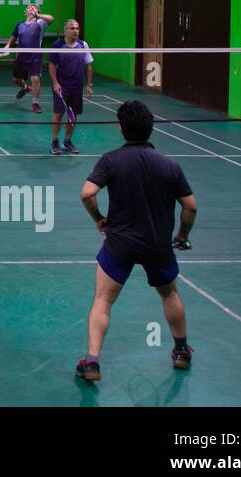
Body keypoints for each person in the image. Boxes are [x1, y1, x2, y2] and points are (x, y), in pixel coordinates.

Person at [76, 100, 196, 381]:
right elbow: (191, 206)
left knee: (103, 300)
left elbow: (86, 193)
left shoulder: (111, 160)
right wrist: (182, 236)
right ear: (151, 129)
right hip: (158, 245)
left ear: (121, 129)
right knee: (170, 293)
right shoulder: (170, 165)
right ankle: (181, 351)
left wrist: (98, 218)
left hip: (120, 244)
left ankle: (91, 362)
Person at [48, 18, 93, 155]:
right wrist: (55, 82)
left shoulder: (83, 44)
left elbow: (88, 65)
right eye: (72, 28)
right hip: (61, 86)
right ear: (65, 31)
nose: (75, 31)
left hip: (77, 86)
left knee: (72, 115)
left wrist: (89, 84)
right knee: (58, 114)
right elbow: (52, 65)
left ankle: (67, 141)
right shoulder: (57, 45)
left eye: (77, 28)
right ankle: (54, 143)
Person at [2, 4, 53, 113]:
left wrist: (37, 14)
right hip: (21, 55)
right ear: (26, 11)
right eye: (30, 7)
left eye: (35, 8)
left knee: (35, 79)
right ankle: (26, 88)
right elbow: (13, 37)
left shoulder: (40, 23)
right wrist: (7, 45)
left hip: (35, 56)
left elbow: (50, 18)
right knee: (16, 79)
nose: (32, 8)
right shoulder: (20, 24)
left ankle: (35, 104)